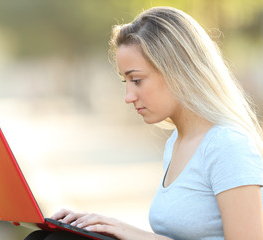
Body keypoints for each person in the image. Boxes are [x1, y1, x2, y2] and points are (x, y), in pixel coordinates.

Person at [25, 6, 263, 240]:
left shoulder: (228, 145)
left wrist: (136, 235)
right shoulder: (177, 144)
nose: (128, 96)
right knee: (45, 237)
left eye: (136, 80)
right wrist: (104, 228)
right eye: (125, 82)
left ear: (177, 71)